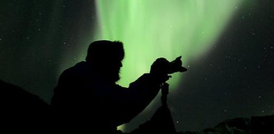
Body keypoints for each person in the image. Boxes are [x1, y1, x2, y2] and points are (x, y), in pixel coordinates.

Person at [51, 40, 187, 134]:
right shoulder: (84, 78)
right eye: (117, 61)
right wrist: (156, 75)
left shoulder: (85, 75)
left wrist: (156, 76)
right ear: (105, 61)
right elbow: (123, 105)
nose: (120, 66)